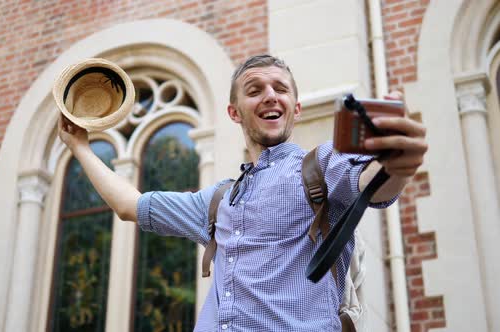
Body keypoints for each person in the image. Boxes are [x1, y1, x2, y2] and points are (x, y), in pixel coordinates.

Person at [58, 54, 428, 331]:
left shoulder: (321, 165)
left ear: (295, 109)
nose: (270, 96)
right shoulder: (218, 201)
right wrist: (80, 148)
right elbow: (129, 204)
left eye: (280, 89)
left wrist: (397, 162)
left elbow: (373, 182)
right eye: (255, 90)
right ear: (234, 112)